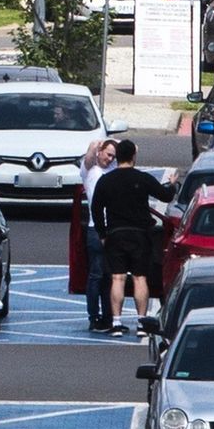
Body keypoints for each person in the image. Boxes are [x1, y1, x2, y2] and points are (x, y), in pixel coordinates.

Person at [90, 139, 178, 338]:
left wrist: (102, 233)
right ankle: (141, 323)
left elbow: (96, 209)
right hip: (140, 235)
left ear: (118, 157)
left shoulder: (106, 180)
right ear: (133, 157)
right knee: (140, 278)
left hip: (115, 234)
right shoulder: (142, 178)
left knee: (117, 278)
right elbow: (165, 196)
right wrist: (172, 185)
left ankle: (116, 322)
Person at [81, 139, 118, 333]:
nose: (109, 158)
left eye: (113, 156)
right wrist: (96, 145)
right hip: (96, 229)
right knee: (96, 275)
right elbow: (89, 155)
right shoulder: (90, 170)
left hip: (111, 228)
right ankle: (94, 317)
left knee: (108, 276)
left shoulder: (111, 171)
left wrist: (114, 147)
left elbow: (132, 151)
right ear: (100, 152)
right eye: (107, 154)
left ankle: (108, 317)